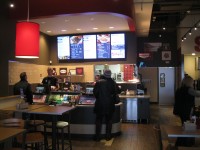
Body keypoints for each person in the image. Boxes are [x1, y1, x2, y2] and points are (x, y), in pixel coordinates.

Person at [93, 69, 121, 141]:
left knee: (99, 120)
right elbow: (118, 91)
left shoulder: (99, 82)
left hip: (100, 104)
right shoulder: (113, 82)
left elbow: (95, 93)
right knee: (109, 120)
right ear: (110, 74)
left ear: (104, 74)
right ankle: (108, 136)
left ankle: (97, 137)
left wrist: (99, 98)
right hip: (110, 105)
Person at [174, 75, 200, 147]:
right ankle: (185, 143)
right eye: (192, 82)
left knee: (185, 126)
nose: (193, 84)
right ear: (189, 82)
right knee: (188, 127)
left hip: (180, 111)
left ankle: (181, 143)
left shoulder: (179, 89)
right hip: (187, 111)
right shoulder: (189, 90)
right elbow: (198, 94)